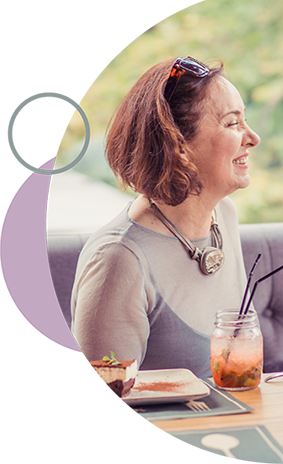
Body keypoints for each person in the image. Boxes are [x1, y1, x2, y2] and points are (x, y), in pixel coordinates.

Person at [71, 57, 260, 377]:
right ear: (178, 145)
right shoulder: (118, 259)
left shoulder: (223, 215)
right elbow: (95, 409)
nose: (252, 137)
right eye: (232, 123)